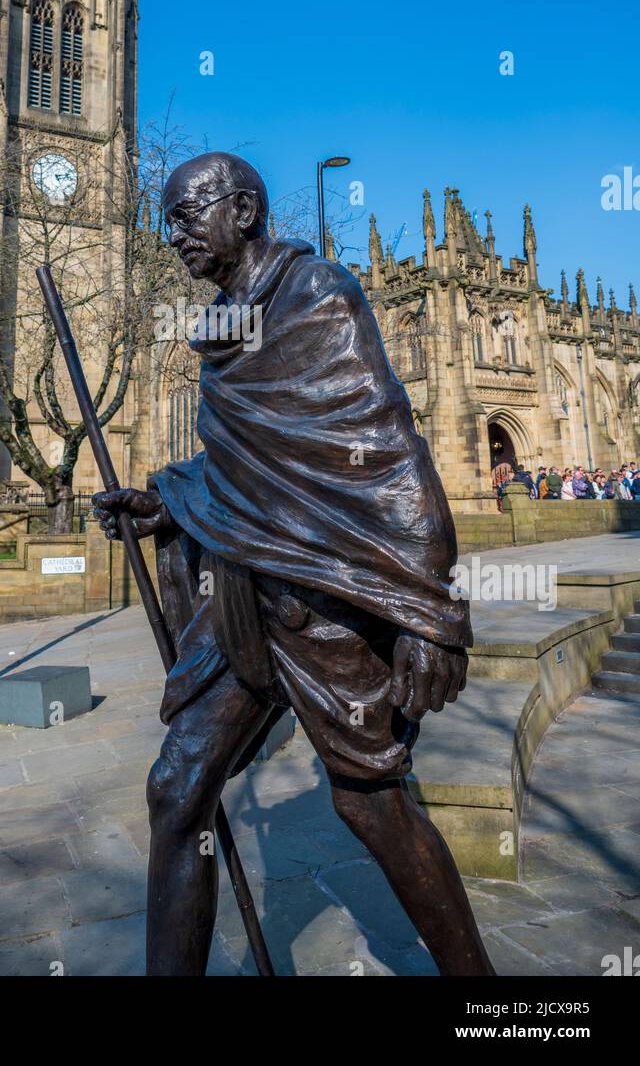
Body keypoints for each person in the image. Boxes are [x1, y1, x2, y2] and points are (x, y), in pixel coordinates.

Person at [95, 151, 495, 977]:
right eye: (168, 220)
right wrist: (166, 502)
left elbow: (390, 456)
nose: (171, 236)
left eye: (184, 216)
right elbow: (244, 467)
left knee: (371, 804)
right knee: (177, 790)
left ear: (241, 210)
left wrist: (428, 616)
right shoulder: (222, 326)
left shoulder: (318, 296)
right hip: (238, 594)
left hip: (324, 602)